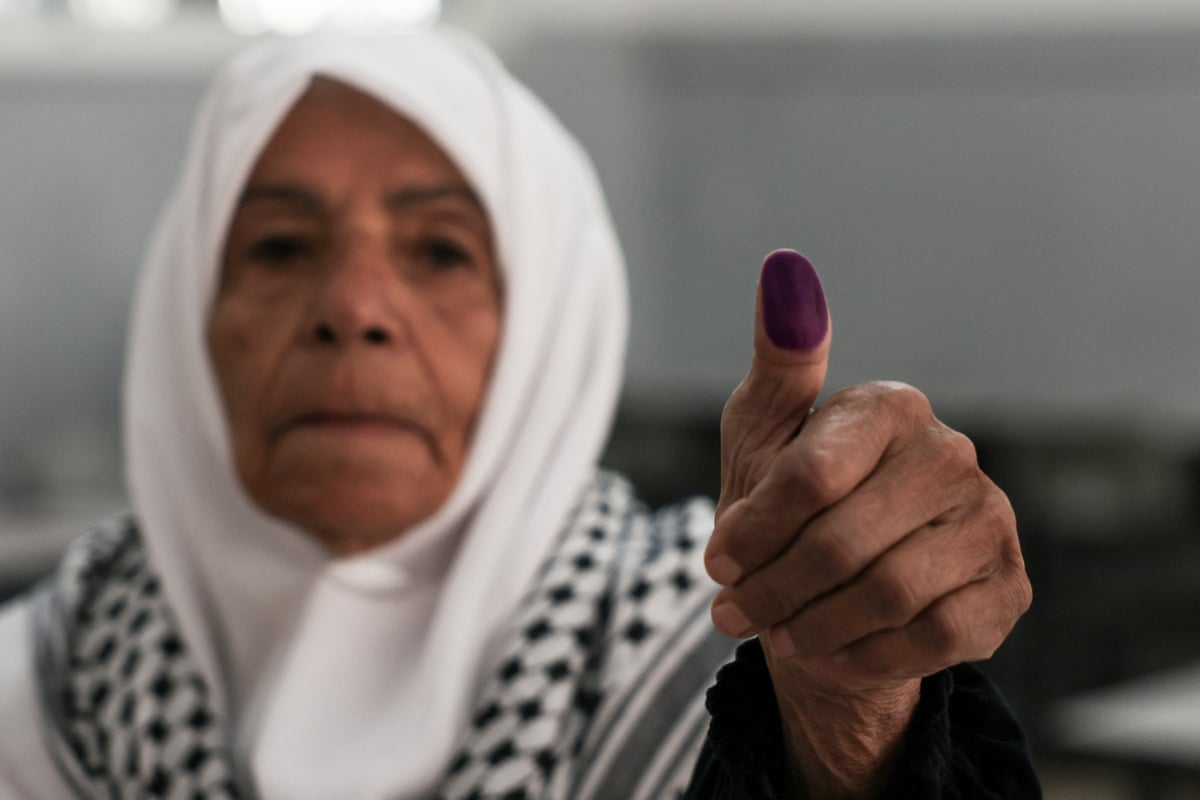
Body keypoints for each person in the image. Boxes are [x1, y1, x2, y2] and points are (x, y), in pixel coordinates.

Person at [0, 28, 1038, 799]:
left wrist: (848, 720)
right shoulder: (39, 688)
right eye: (278, 247)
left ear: (546, 330)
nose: (353, 310)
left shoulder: (716, 640)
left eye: (442, 251)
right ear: (191, 319)